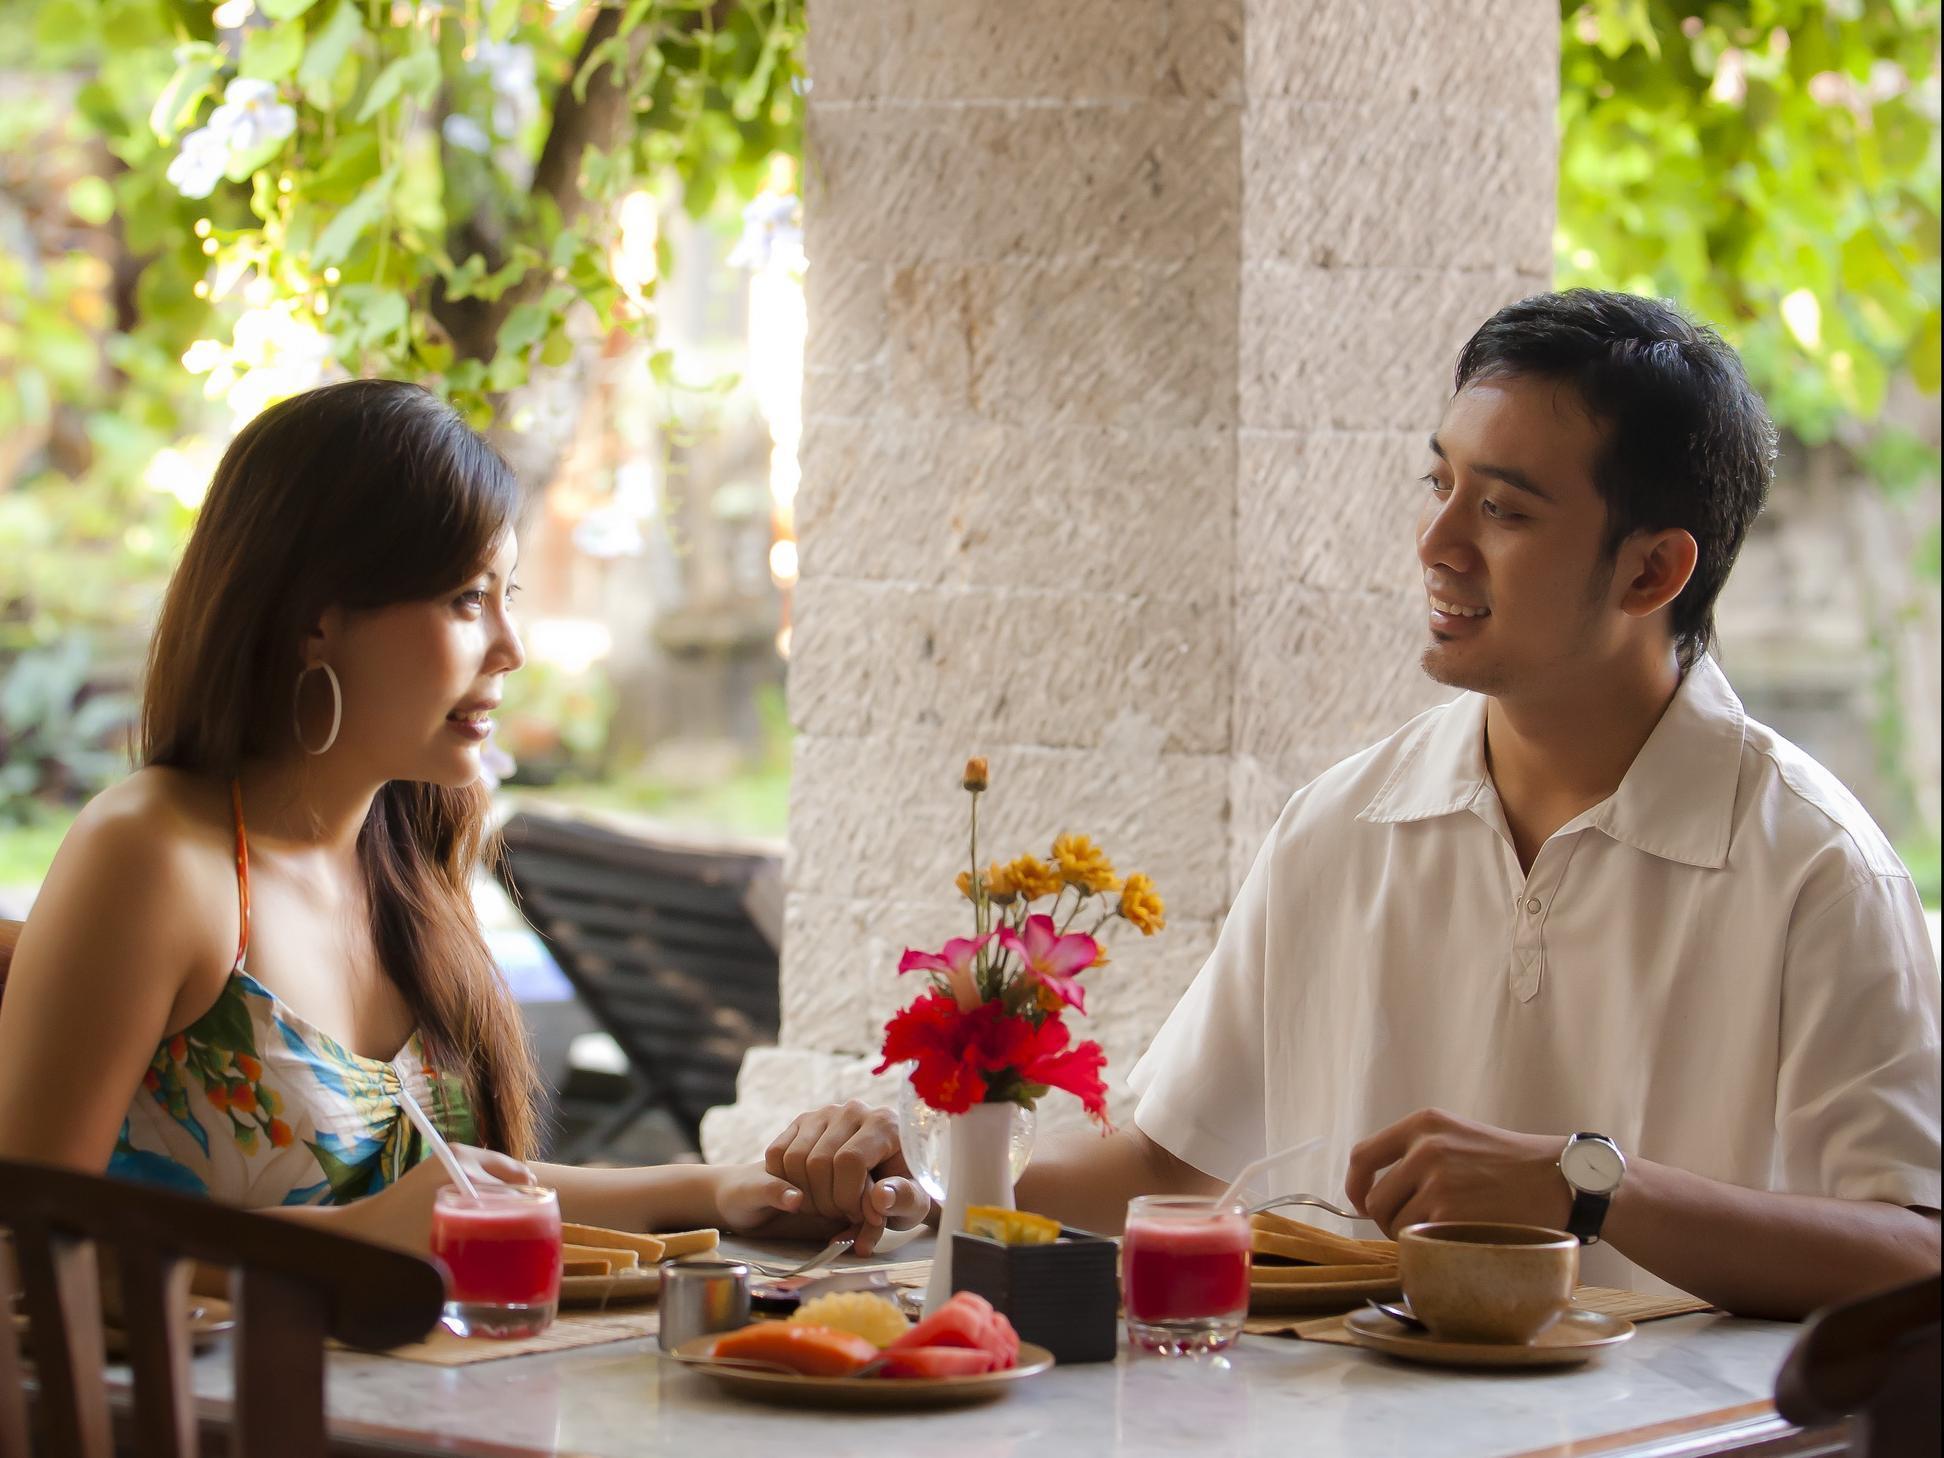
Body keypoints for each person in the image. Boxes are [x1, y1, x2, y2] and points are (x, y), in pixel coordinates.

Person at [768, 290, 1942, 1317]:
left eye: (1505, 511)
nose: (1436, 542)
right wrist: (918, 1193)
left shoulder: (1816, 867)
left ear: (1652, 571)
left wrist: (1586, 1186)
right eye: (1441, 485)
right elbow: (1170, 1170)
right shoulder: (1342, 823)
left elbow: (1913, 1255)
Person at [0, 379, 921, 1253]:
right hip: (200, 1417)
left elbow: (464, 1191)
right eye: (466, 599)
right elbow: (32, 1229)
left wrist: (728, 1194)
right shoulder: (156, 854)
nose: (512, 648)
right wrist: (355, 1246)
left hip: (427, 1404)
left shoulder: (398, 860)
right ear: (316, 619)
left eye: (506, 596)